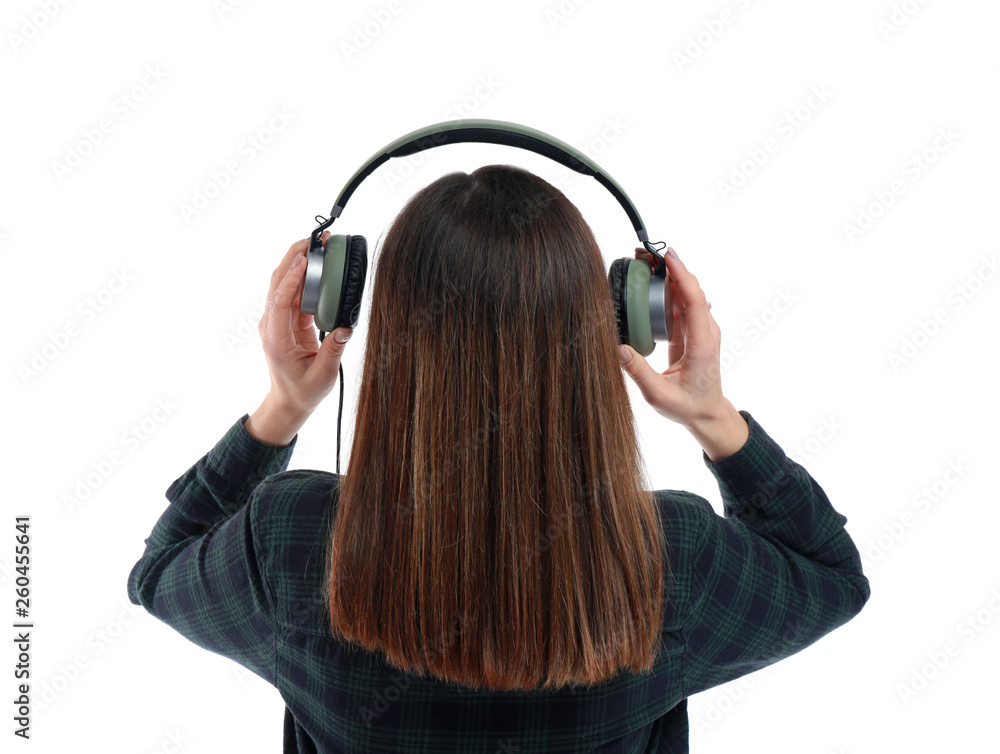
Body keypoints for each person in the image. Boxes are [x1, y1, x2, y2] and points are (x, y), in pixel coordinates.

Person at [127, 164, 870, 753]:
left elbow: (159, 570)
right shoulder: (669, 559)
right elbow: (832, 579)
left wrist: (282, 408)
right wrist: (711, 413)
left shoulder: (291, 545)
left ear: (377, 324)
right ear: (612, 323)